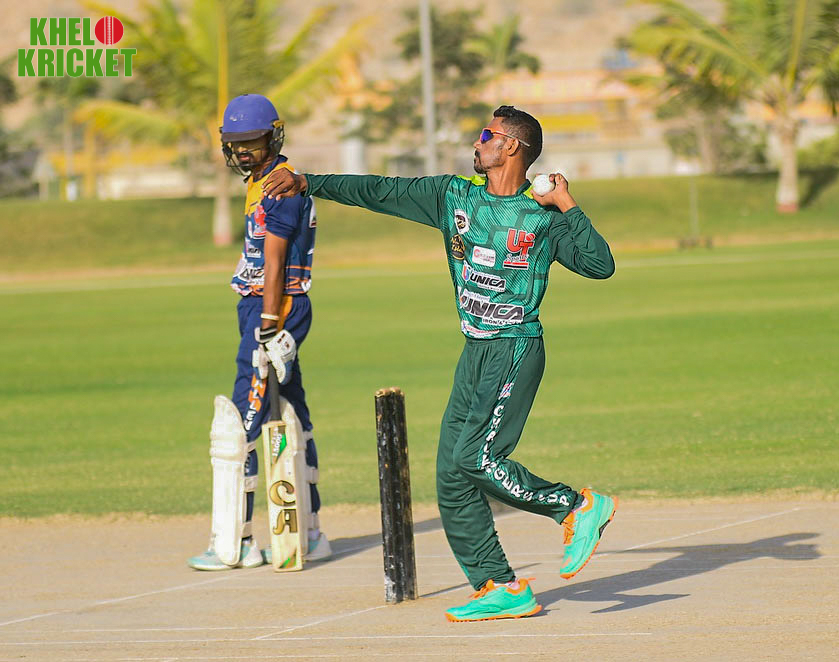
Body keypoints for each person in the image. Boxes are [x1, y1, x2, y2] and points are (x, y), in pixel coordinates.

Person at [262, 105, 616, 620]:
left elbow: (600, 265)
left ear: (511, 147)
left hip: (514, 348)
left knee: (477, 459)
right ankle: (499, 585)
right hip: (475, 352)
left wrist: (568, 205)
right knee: (452, 475)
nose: (476, 142)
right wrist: (308, 182)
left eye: (486, 135)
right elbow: (379, 190)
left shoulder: (543, 215)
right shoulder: (453, 196)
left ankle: (576, 506)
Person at [188, 94, 331, 571]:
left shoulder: (280, 187)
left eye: (252, 142)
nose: (244, 151)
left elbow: (275, 260)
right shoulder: (260, 183)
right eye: (237, 144)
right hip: (266, 306)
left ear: (274, 137)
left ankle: (236, 543)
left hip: (274, 306)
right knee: (292, 408)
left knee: (241, 420)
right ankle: (311, 534)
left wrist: (269, 324)